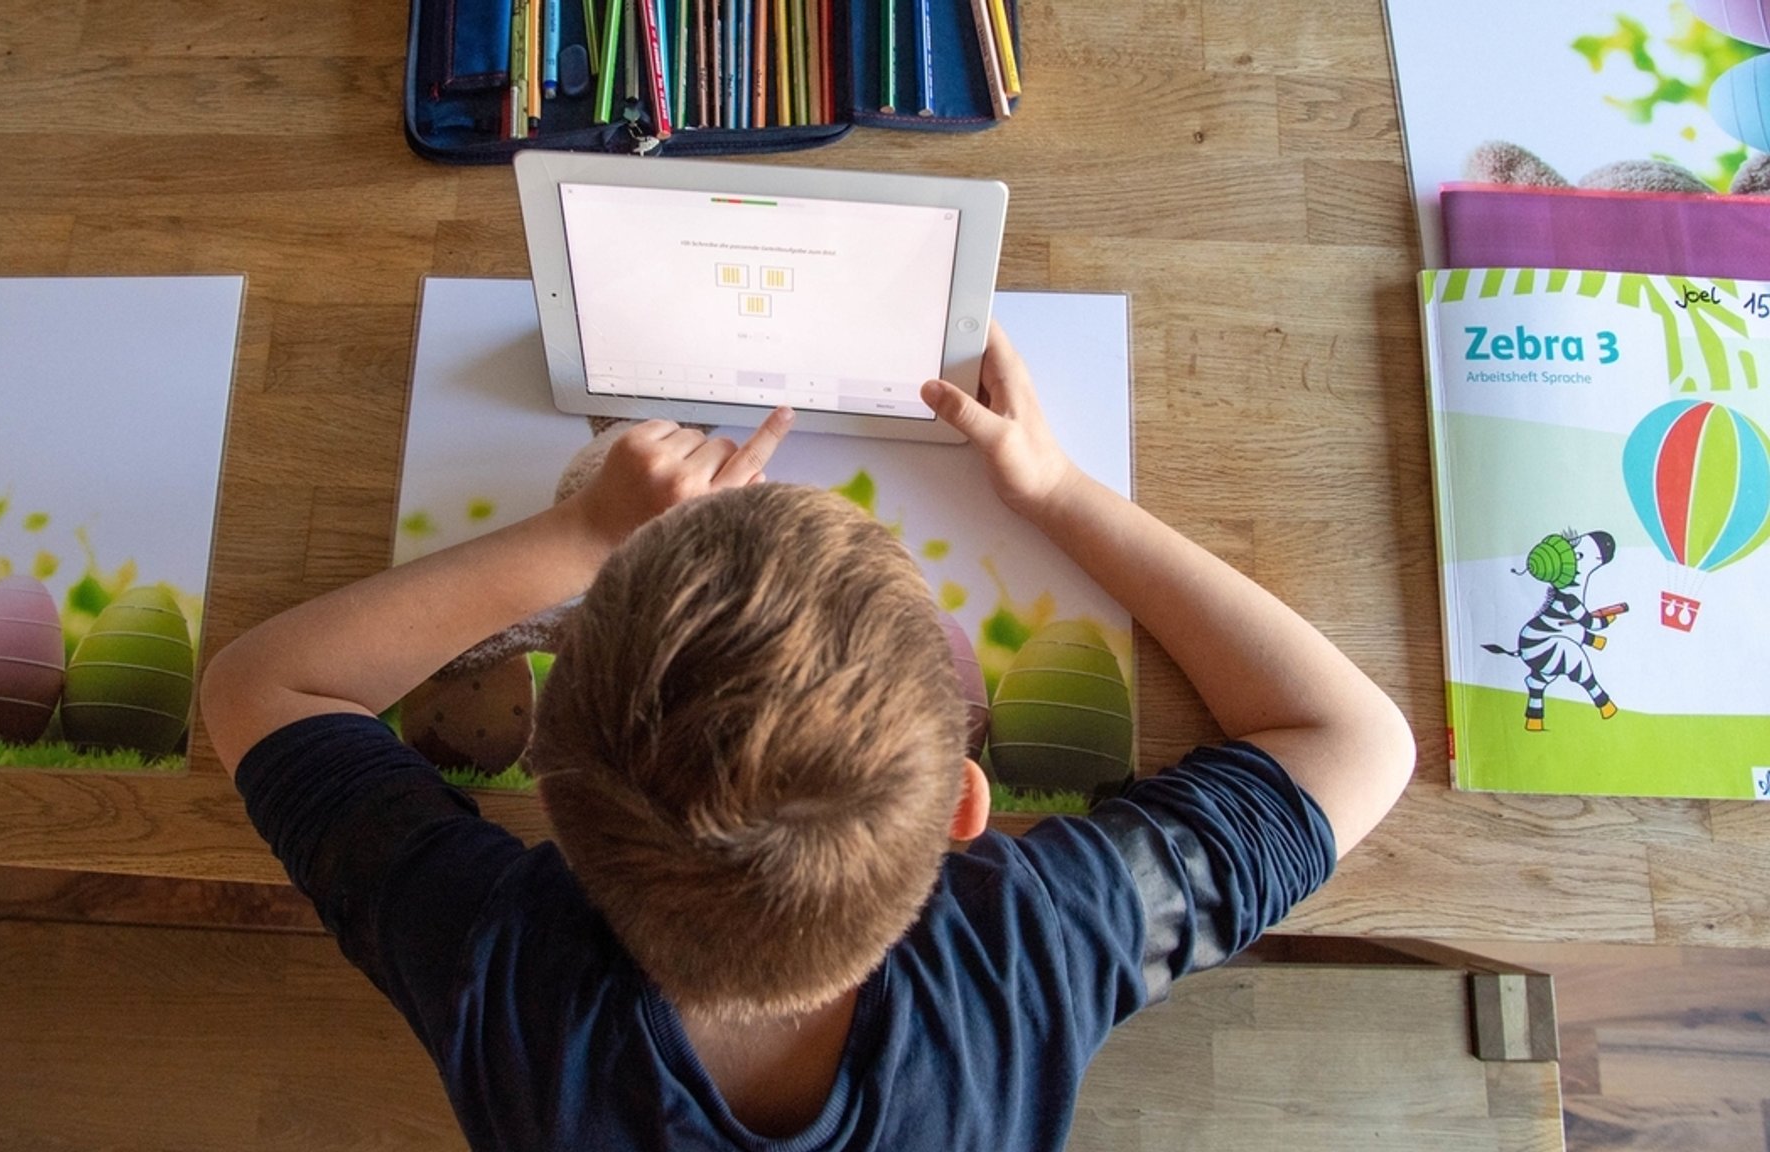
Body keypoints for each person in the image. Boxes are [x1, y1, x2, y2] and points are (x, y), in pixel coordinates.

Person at [200, 324, 1416, 1150]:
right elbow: (1352, 738)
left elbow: (265, 690)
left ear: (555, 810)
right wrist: (1052, 490)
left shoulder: (503, 974)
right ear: (962, 810)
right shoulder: (1028, 951)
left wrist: (577, 536)